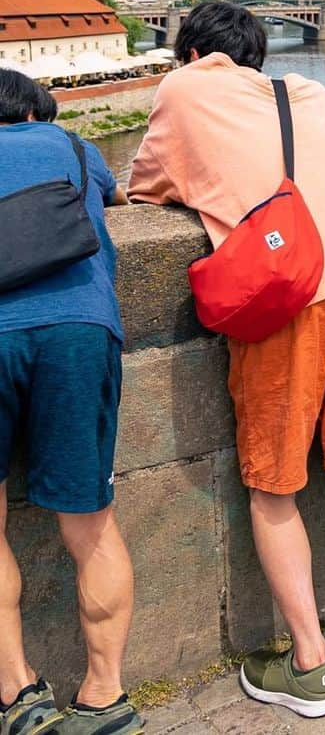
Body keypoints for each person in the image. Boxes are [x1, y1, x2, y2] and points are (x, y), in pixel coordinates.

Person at [128, 3, 325, 720]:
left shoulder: (183, 90)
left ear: (189, 53)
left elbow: (143, 187)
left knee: (273, 482)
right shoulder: (308, 91)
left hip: (287, 293)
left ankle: (308, 662)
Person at [0, 70, 142, 735]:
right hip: (80, 329)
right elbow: (122, 199)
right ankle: (104, 697)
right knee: (91, 525)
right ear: (37, 112)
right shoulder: (78, 148)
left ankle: (17, 693)